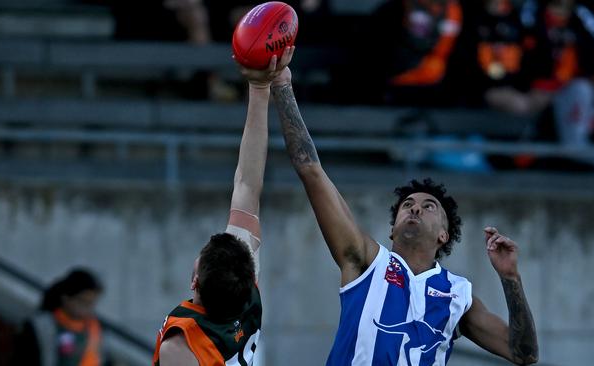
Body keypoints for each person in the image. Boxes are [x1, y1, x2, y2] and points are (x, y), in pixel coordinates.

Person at [269, 67, 539, 364]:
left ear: (443, 235)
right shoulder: (365, 261)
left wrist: (511, 278)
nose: (415, 208)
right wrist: (282, 83)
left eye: (428, 206)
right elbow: (311, 171)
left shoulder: (458, 295)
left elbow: (524, 353)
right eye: (407, 204)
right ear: (393, 229)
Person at [152, 47, 295, 366]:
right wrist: (260, 89)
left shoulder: (181, 346)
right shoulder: (245, 292)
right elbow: (247, 183)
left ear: (194, 281)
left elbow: (247, 183)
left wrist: (259, 87)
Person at [13, 268, 104, 366]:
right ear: (66, 298)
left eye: (92, 303)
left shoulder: (95, 329)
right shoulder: (41, 326)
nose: (88, 308)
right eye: (83, 302)